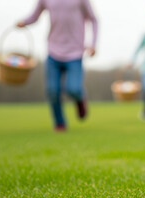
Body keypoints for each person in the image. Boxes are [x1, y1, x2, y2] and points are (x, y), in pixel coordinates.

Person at [16, 0, 98, 131]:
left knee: (74, 89)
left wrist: (93, 44)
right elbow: (35, 16)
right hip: (53, 51)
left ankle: (80, 98)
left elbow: (94, 19)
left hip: (75, 52)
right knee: (52, 91)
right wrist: (24, 22)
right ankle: (60, 123)